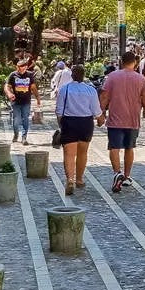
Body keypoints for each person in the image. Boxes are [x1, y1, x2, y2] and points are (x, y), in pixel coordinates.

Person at [99, 51, 145, 192]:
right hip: (132, 119)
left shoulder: (112, 77)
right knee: (129, 148)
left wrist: (100, 113)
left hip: (115, 119)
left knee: (114, 147)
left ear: (121, 62)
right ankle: (127, 176)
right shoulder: (141, 79)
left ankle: (117, 173)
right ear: (134, 63)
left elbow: (104, 96)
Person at [56, 64, 99, 196]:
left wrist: (61, 125)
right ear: (83, 75)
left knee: (69, 154)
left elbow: (59, 111)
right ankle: (79, 179)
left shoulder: (65, 89)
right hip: (86, 123)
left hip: (69, 122)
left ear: (72, 75)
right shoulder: (91, 90)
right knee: (82, 152)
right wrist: (101, 118)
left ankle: (70, 179)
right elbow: (96, 111)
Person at [5, 58, 41, 145]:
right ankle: (16, 134)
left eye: (24, 68)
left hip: (26, 101)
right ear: (17, 67)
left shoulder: (29, 75)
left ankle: (24, 137)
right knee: (16, 119)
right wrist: (9, 94)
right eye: (20, 67)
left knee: (25, 119)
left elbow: (33, 87)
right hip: (15, 101)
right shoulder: (13, 75)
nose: (22, 70)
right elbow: (6, 86)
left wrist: (38, 98)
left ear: (26, 67)